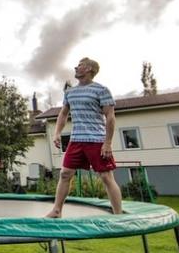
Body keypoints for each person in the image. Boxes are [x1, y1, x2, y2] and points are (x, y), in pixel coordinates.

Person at [45, 58, 123, 218]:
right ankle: (57, 210)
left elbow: (110, 116)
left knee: (106, 177)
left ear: (88, 69)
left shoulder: (101, 90)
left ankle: (119, 215)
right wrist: (57, 132)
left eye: (79, 65)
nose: (76, 67)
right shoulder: (70, 92)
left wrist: (107, 143)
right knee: (65, 174)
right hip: (76, 140)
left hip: (96, 140)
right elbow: (63, 114)